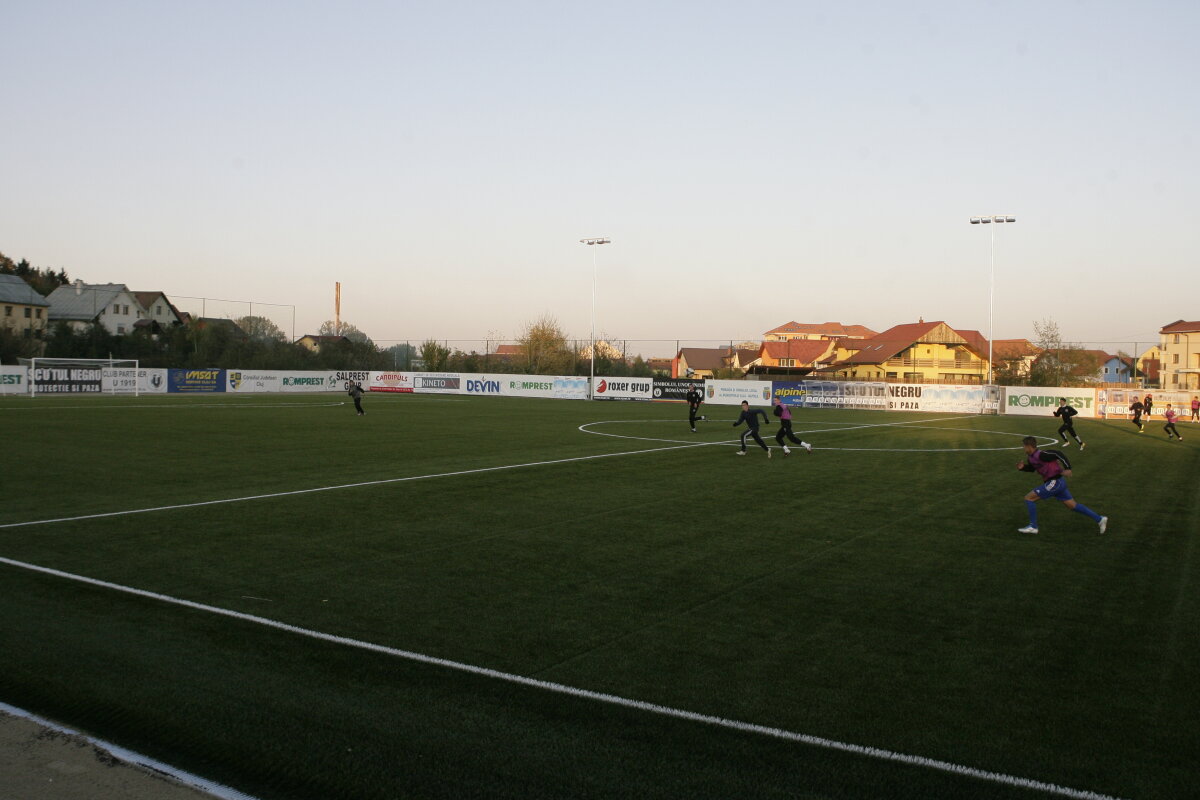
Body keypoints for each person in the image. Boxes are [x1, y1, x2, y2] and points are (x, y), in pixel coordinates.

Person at [1015, 436, 1107, 535]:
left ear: (1029, 446)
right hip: (1058, 483)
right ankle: (1100, 519)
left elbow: (1058, 453)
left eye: (1024, 446)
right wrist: (1023, 467)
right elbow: (1033, 468)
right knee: (1073, 505)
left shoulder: (1042, 454)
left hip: (1055, 482)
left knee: (1029, 498)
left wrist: (1068, 468)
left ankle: (1033, 527)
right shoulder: (1031, 458)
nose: (1023, 448)